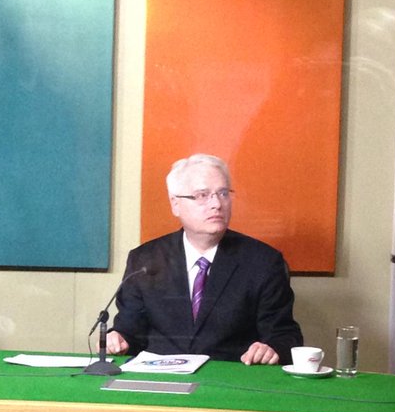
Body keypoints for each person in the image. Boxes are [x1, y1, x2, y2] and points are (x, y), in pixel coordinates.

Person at [105, 153, 302, 365]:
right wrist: (118, 338)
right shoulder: (144, 260)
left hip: (231, 378)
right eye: (202, 195)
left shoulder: (263, 262)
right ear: (175, 204)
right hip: (162, 377)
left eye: (223, 193)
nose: (217, 204)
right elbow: (130, 332)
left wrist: (271, 349)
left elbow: (284, 336)